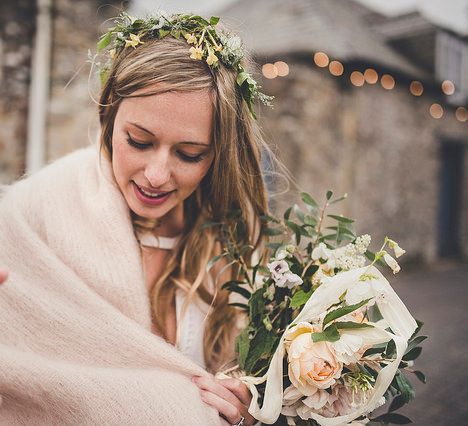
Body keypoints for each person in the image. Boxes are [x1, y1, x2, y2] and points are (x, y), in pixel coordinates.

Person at [0, 12, 279, 426]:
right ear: (110, 117)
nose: (156, 175)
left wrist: (250, 404)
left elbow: (249, 379)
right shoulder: (32, 212)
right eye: (139, 141)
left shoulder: (234, 243)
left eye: (189, 154)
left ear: (219, 153)